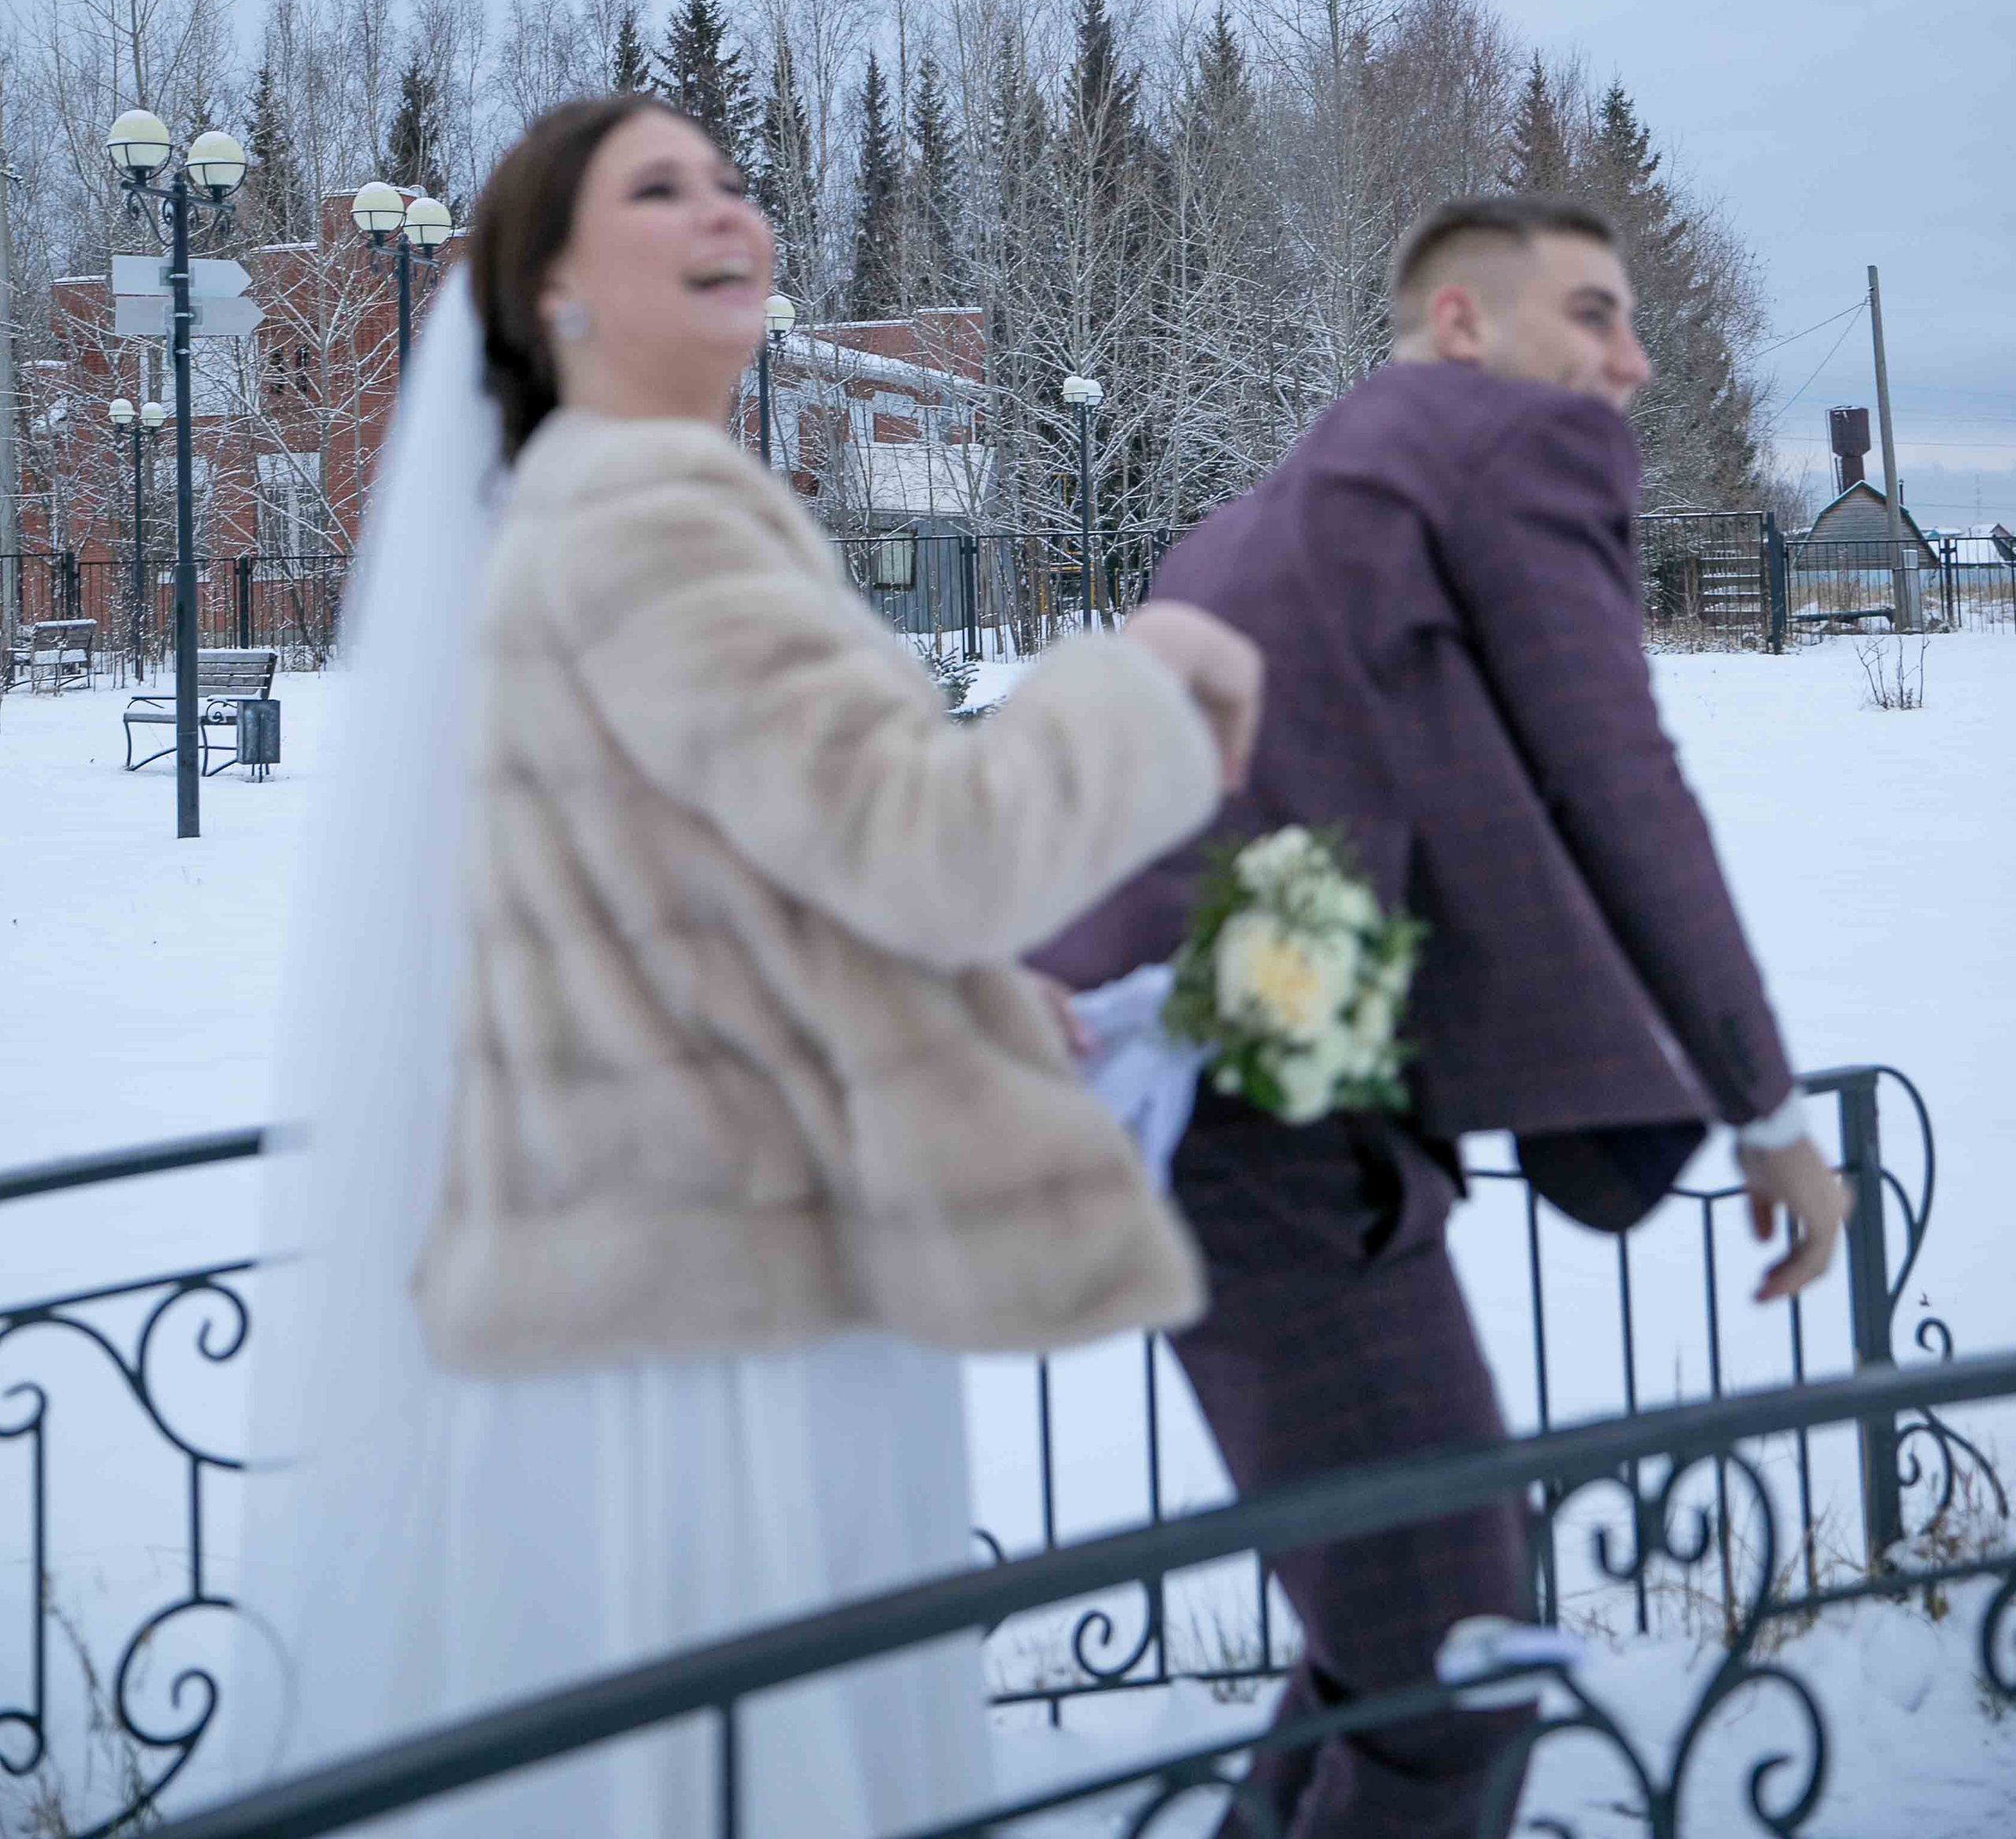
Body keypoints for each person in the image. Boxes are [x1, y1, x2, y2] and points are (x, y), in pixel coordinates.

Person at [235, 94, 1261, 1837]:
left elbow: (726, 883)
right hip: (715, 1332)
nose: (727, 211)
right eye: (657, 189)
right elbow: (925, 842)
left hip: (662, 1281)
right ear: (545, 289)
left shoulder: (595, 508)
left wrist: (964, 1010)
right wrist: (1148, 667)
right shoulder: (648, 515)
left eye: (729, 178)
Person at [1032, 192, 1847, 1839]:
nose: (1627, 363)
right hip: (1255, 1120)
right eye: (1592, 315)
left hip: (1171, 1101)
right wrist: (1762, 1109)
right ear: (1461, 325)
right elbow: (1615, 776)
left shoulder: (1270, 509)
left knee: (1382, 1641)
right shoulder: (1500, 448)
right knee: (1451, 1654)